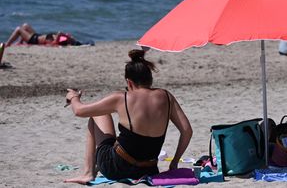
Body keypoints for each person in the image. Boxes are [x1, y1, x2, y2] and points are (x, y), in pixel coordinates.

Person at [64, 49, 193, 184]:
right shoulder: (166, 96)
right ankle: (89, 171)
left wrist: (73, 97)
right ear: (150, 79)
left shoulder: (122, 98)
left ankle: (88, 173)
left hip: (117, 167)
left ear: (129, 82)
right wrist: (174, 161)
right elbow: (187, 131)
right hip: (149, 169)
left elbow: (79, 111)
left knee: (97, 115)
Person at [5, 23, 82, 47]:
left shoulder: (61, 41)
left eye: (72, 38)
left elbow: (59, 33)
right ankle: (21, 42)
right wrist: (70, 38)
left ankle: (7, 44)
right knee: (25, 25)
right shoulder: (65, 39)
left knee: (18, 29)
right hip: (37, 36)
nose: (71, 36)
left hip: (34, 40)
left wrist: (69, 38)